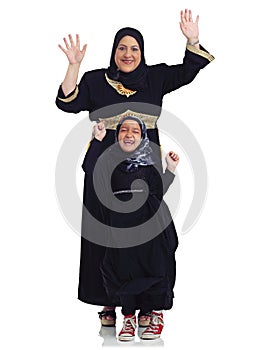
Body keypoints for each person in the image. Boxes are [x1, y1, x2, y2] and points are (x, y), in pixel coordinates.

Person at [55, 9, 214, 331]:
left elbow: (187, 69)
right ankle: (109, 299)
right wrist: (73, 65)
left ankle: (147, 303)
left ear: (142, 52)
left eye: (134, 49)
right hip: (102, 167)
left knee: (146, 236)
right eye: (122, 48)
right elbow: (67, 102)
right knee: (104, 234)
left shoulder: (154, 78)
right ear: (114, 51)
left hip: (143, 168)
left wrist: (192, 39)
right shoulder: (96, 80)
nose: (128, 55)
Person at [88, 116, 179, 340]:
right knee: (122, 267)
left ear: (143, 137)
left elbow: (157, 192)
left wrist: (170, 170)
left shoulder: (148, 166)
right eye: (124, 131)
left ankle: (155, 313)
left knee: (154, 265)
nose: (129, 134)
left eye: (135, 131)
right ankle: (128, 316)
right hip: (121, 226)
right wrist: (98, 141)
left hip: (150, 225)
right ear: (117, 135)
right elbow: (90, 170)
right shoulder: (109, 165)